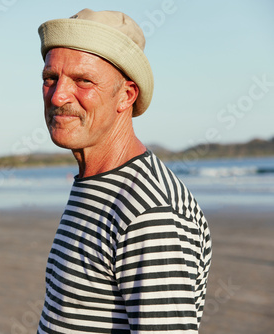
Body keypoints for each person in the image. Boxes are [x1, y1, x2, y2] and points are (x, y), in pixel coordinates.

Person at [36, 9, 212, 333]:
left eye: (83, 80)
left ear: (126, 96)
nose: (58, 95)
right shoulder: (97, 183)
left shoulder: (149, 213)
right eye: (51, 78)